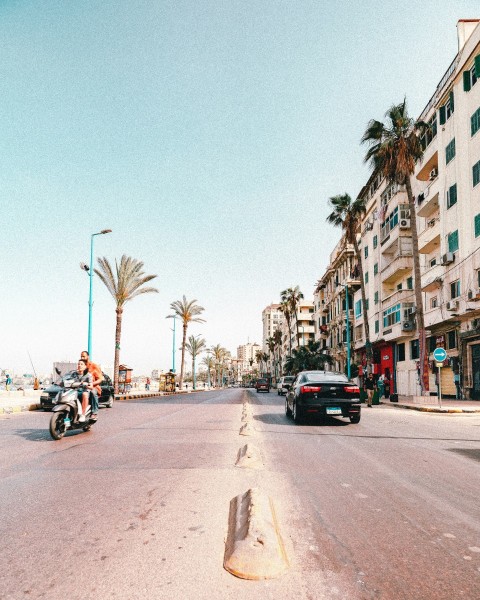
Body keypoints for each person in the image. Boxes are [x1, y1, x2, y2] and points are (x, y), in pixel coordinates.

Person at [80, 350, 103, 420]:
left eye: (83, 356)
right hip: (82, 387)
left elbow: (100, 379)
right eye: (81, 356)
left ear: (88, 357)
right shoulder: (81, 365)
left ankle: (94, 412)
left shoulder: (94, 366)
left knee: (93, 392)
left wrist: (91, 384)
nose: (82, 358)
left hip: (93, 387)